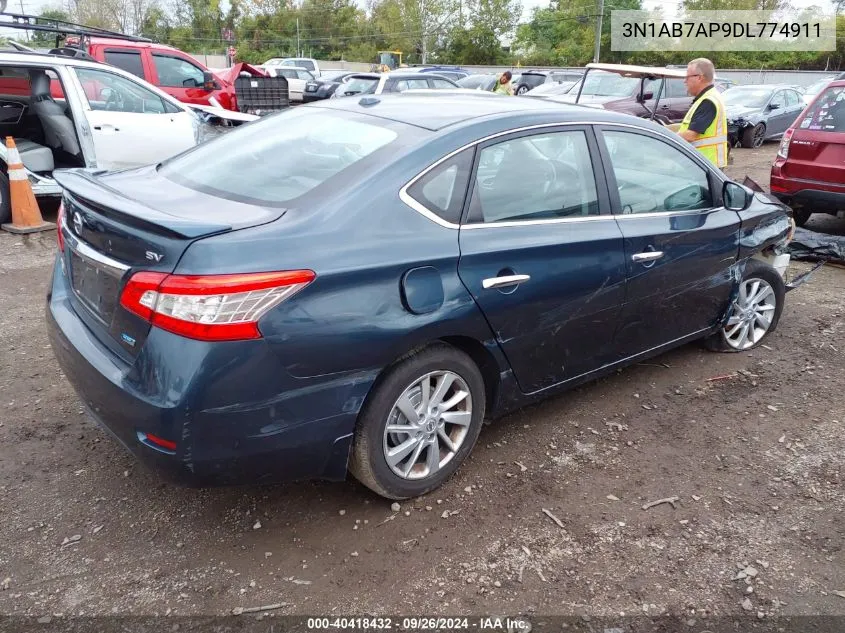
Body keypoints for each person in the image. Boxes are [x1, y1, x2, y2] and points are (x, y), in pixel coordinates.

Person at [677, 58, 728, 169]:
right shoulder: (708, 97)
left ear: (699, 77)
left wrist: (667, 137)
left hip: (705, 165)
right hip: (704, 163)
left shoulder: (708, 101)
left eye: (687, 77)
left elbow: (690, 136)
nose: (684, 81)